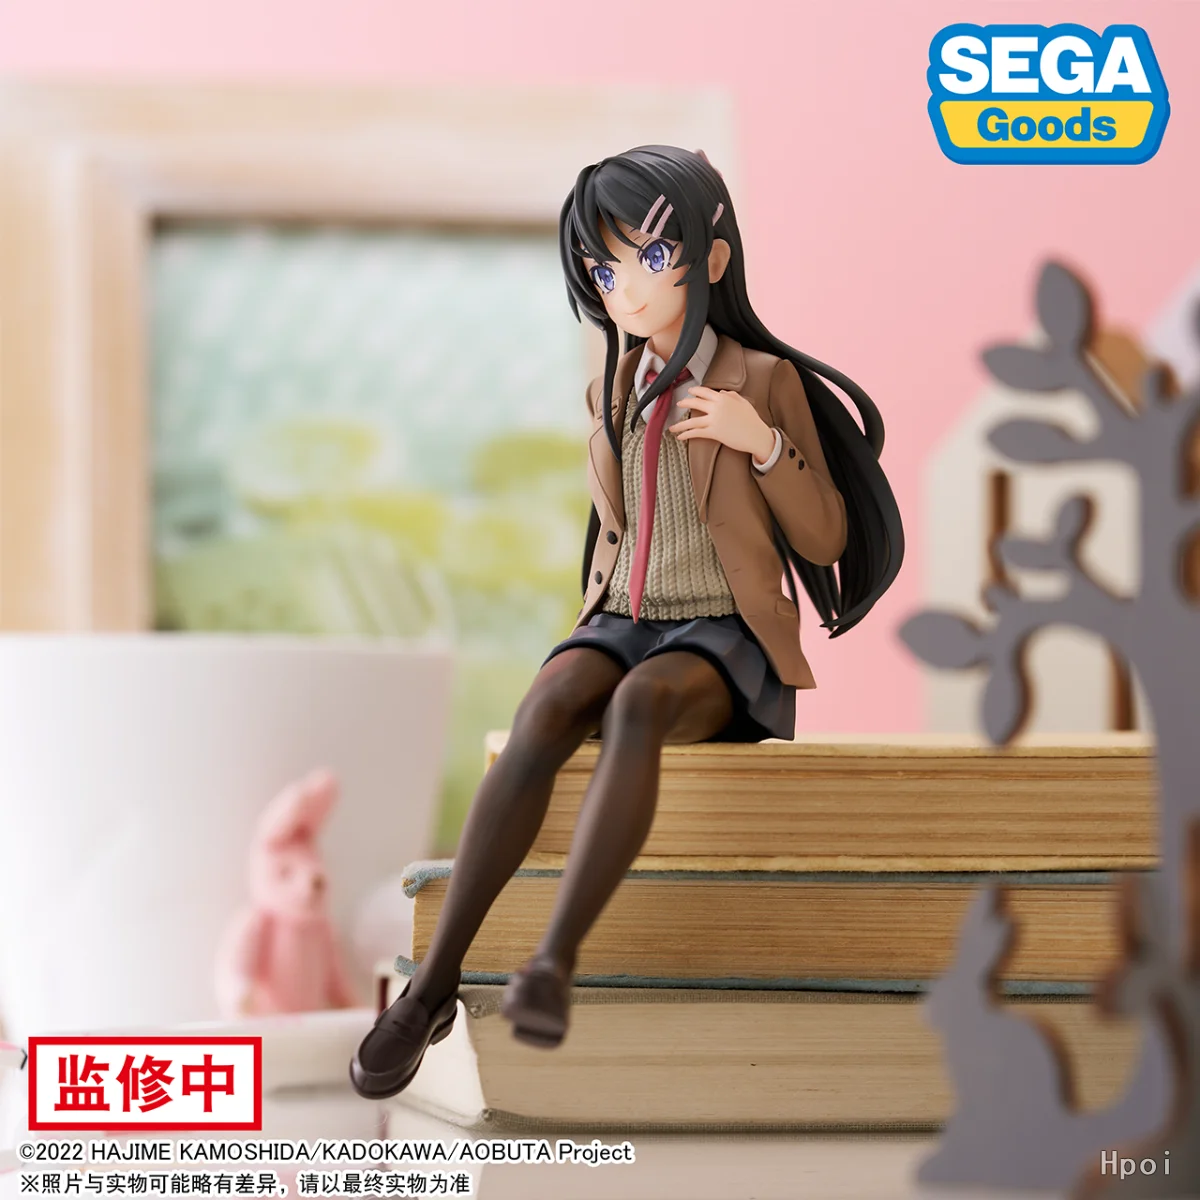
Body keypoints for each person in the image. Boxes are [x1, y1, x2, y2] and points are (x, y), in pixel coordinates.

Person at [350, 145, 903, 1099]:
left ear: (711, 260)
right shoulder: (613, 386)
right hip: (621, 617)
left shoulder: (761, 379)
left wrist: (762, 443)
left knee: (641, 706)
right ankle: (431, 987)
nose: (625, 290)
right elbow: (620, 530)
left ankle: (553, 962)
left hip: (723, 635)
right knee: (547, 706)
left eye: (648, 260)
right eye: (604, 272)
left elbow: (826, 534)